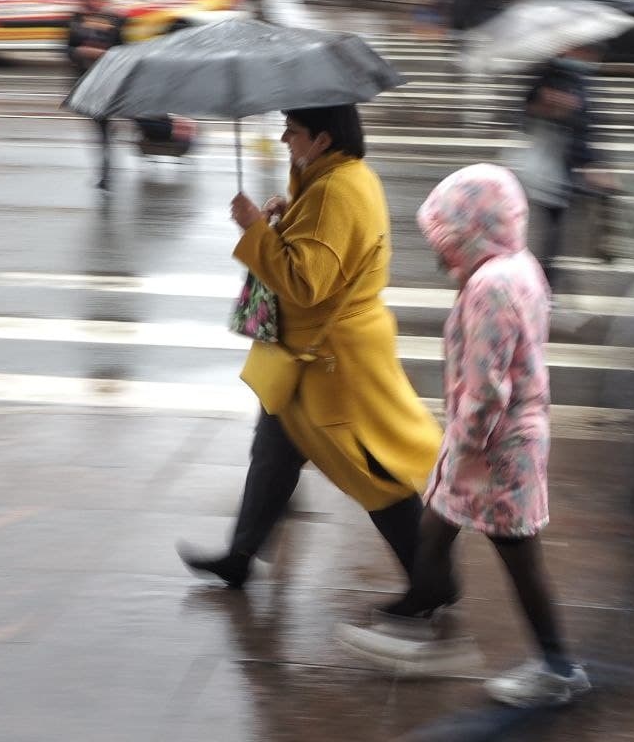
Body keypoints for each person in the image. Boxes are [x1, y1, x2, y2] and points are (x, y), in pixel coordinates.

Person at [336, 164, 590, 708]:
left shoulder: (489, 286)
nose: (438, 252)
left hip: (496, 448)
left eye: (445, 238)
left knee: (517, 553)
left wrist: (462, 449)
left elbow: (486, 388)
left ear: (469, 231)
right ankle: (419, 624)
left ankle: (559, 667)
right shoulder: (519, 266)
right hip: (506, 440)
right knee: (435, 525)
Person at [178, 105, 443, 589]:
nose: (284, 139)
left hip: (330, 363)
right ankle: (241, 554)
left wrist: (255, 230)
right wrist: (285, 216)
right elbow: (318, 252)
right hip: (305, 360)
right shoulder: (337, 178)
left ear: (323, 139)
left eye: (294, 131)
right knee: (272, 453)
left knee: (372, 472)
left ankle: (432, 581)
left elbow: (306, 282)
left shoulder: (336, 191)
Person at [521, 46, 615, 291]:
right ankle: (542, 284)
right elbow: (524, 116)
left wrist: (595, 162)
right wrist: (548, 106)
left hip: (566, 168)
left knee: (557, 232)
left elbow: (588, 125)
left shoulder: (580, 78)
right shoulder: (546, 76)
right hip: (547, 168)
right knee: (551, 231)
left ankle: (548, 282)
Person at [66, 0, 125, 191]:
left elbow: (123, 50)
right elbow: (66, 50)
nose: (88, 2)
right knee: (100, 130)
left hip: (107, 81)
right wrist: (80, 51)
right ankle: (105, 170)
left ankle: (106, 173)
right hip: (85, 82)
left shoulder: (114, 20)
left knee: (103, 130)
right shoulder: (76, 20)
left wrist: (102, 54)